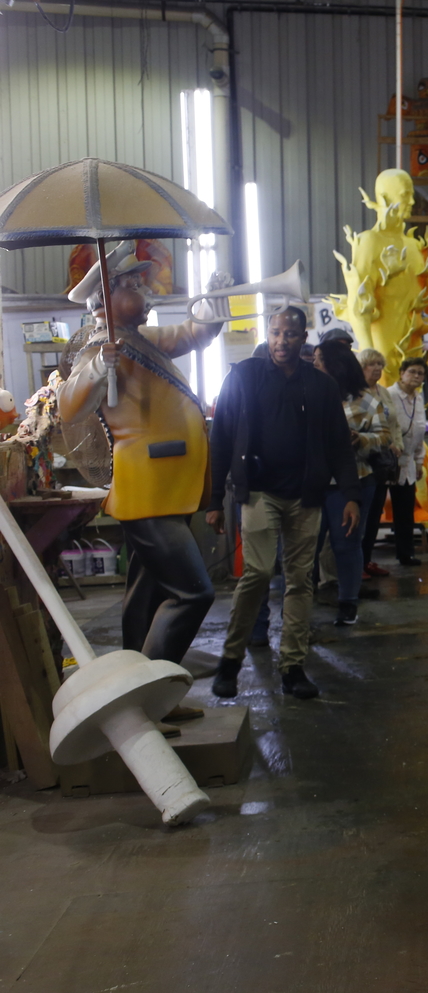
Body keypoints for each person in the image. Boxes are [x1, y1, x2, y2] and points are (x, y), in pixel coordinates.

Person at [55, 250, 218, 702]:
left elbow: (192, 333)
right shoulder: (99, 350)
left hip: (168, 488)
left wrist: (212, 304)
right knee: (192, 594)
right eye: (134, 286)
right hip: (149, 492)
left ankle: (144, 694)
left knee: (145, 598)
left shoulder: (140, 340)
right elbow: (70, 406)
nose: (147, 293)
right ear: (104, 298)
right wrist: (95, 369)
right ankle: (150, 698)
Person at [208, 307, 360, 700]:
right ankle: (230, 660)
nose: (281, 341)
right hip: (258, 492)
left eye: (289, 334)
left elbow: (339, 445)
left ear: (303, 337)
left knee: (300, 581)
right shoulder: (243, 377)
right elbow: (221, 438)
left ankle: (292, 667)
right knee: (257, 573)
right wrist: (212, 500)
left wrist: (350, 495)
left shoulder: (320, 386)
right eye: (275, 333)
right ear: (268, 334)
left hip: (305, 497)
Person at [314, 343, 388, 626]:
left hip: (355, 482)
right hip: (314, 483)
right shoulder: (311, 394)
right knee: (306, 547)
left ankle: (348, 602)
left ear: (337, 365)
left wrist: (362, 439)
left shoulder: (366, 401)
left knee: (346, 544)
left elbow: (385, 436)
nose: (315, 365)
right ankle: (296, 607)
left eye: (321, 361)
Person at [358, 348, 403, 576]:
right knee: (363, 514)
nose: (376, 368)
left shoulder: (384, 393)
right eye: (371, 364)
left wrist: (397, 444)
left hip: (384, 461)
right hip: (365, 460)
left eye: (379, 364)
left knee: (376, 513)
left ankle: (367, 559)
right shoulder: (356, 393)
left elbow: (394, 424)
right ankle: (357, 563)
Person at [387, 357, 428, 567]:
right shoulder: (389, 395)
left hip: (409, 464)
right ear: (401, 373)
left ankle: (406, 553)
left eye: (420, 373)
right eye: (412, 372)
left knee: (405, 511)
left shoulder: (419, 398)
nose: (416, 377)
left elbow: (420, 431)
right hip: (387, 463)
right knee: (378, 510)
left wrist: (419, 461)